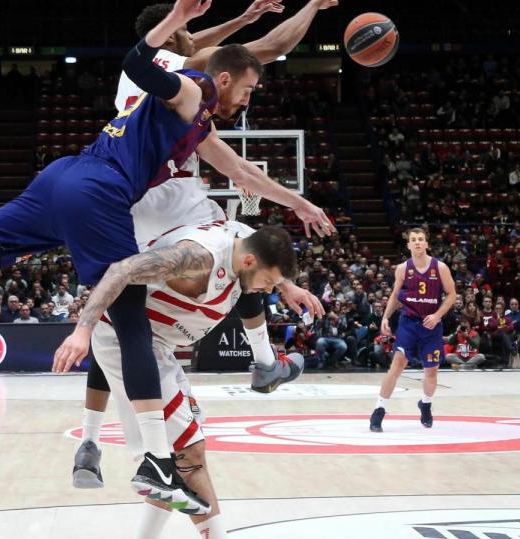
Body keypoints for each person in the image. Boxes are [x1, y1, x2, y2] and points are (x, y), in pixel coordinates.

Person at [0, 0, 330, 504]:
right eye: (250, 89)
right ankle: (157, 462)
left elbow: (241, 170)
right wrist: (177, 17)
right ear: (223, 77)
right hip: (101, 194)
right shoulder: (190, 91)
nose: (251, 98)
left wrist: (299, 202)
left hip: (62, 177)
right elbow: (151, 59)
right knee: (130, 320)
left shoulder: (199, 122)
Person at [71, 0, 332, 490]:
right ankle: (260, 362)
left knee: (125, 324)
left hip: (139, 209)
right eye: (186, 30)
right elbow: (258, 51)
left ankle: (90, 441)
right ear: (169, 38)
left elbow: (209, 44)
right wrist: (308, 9)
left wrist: (244, 19)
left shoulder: (159, 70)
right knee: (241, 251)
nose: (194, 36)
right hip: (169, 204)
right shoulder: (170, 71)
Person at [64, 221, 300, 539]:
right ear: (250, 262)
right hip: (129, 345)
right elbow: (122, 269)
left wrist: (290, 286)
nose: (269, 290)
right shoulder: (199, 258)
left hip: (160, 352)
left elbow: (261, 237)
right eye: (270, 282)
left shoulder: (242, 252)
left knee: (176, 460)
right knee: (190, 453)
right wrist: (84, 327)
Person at [369, 228, 456, 432]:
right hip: (409, 323)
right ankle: (379, 410)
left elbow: (452, 294)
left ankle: (425, 404)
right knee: (397, 365)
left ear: (427, 244)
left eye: (421, 239)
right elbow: (395, 296)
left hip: (431, 325)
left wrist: (437, 316)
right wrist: (386, 317)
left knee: (431, 370)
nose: (417, 242)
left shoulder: (440, 267)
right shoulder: (402, 268)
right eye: (413, 240)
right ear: (408, 245)